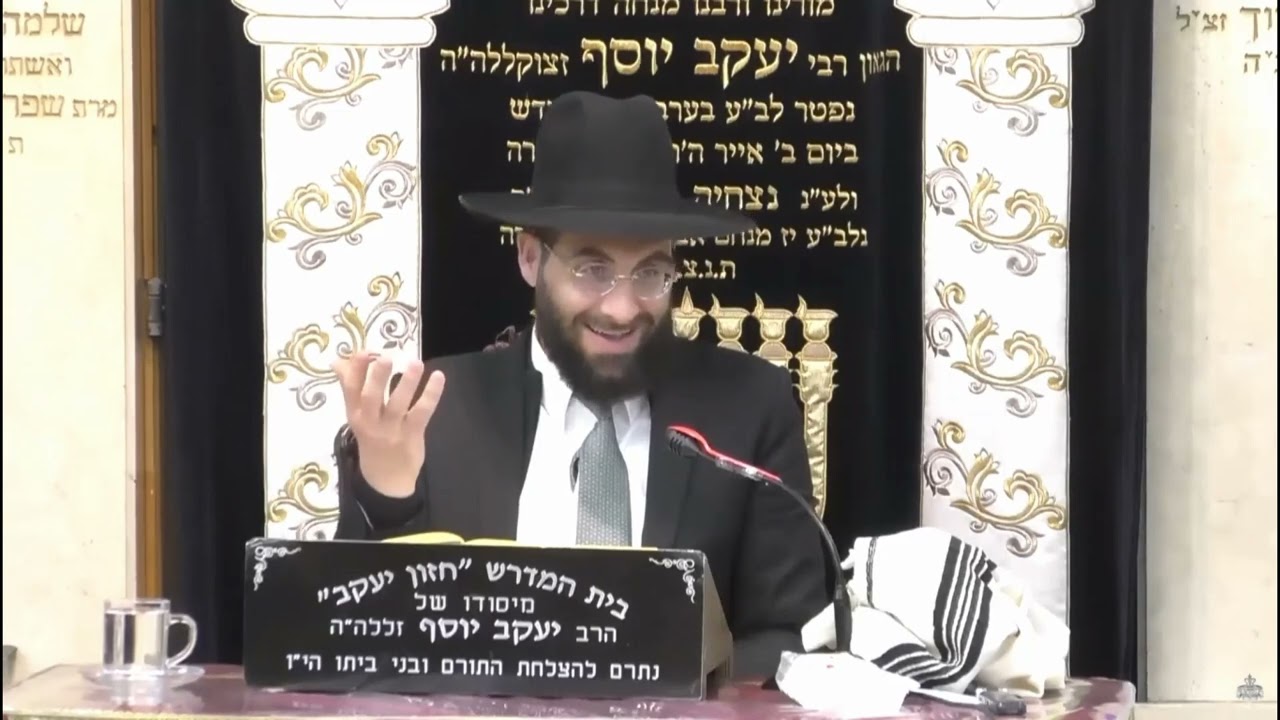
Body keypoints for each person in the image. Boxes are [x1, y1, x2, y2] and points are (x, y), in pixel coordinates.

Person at [332, 91, 827, 677]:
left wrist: (665, 686)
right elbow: (356, 633)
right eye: (592, 270)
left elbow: (790, 635)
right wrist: (387, 500)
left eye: (651, 272)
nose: (622, 308)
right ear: (530, 257)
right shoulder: (436, 410)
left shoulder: (747, 408)